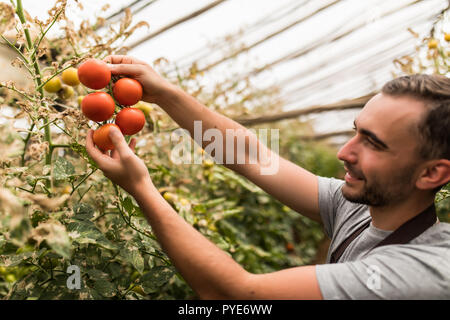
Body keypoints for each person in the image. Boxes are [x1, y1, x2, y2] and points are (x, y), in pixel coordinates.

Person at [85, 55, 450, 299]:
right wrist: (165, 93)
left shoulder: (424, 271)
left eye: (373, 144)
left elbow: (236, 294)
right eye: (355, 132)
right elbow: (250, 156)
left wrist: (141, 188)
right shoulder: (357, 206)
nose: (344, 153)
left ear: (432, 173)